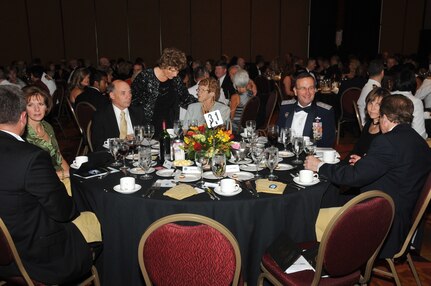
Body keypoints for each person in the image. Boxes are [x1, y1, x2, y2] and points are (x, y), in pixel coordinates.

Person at [304, 94, 431, 258]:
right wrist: (366, 162)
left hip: (382, 226)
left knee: (313, 219)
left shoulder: (387, 142)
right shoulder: (420, 143)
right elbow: (397, 170)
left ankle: (326, 271)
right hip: (402, 222)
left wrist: (319, 166)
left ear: (384, 117)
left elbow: (353, 177)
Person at [0, 85, 93, 284]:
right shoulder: (30, 157)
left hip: (5, 249)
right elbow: (64, 212)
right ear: (23, 117)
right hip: (35, 257)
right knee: (95, 220)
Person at [131, 47, 196, 138]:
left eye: (177, 70)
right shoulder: (145, 77)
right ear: (164, 65)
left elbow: (186, 99)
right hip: (149, 128)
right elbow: (133, 102)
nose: (175, 74)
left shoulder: (176, 80)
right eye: (172, 70)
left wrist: (205, 104)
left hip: (169, 127)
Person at [276, 72, 336, 147]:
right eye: (303, 88)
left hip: (311, 155)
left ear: (315, 90)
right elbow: (278, 137)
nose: (307, 92)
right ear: (295, 91)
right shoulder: (285, 108)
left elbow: (327, 143)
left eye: (311, 88)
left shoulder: (325, 112)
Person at [92, 80, 145, 151]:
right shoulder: (101, 116)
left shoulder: (138, 112)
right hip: (113, 157)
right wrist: (122, 142)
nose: (129, 96)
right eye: (123, 93)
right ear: (112, 95)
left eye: (130, 92)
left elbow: (145, 137)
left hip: (137, 154)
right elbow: (98, 146)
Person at [346, 87, 390, 162]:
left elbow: (380, 161)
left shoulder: (386, 130)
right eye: (371, 103)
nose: (372, 108)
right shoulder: (369, 123)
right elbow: (357, 149)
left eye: (378, 105)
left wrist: (361, 162)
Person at [391, 66, 428, 139]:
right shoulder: (416, 102)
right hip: (406, 144)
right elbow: (420, 134)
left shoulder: (387, 96)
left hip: (386, 141)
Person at [357, 59, 385, 125]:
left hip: (366, 121)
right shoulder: (375, 90)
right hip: (369, 124)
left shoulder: (367, 86)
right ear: (382, 73)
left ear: (368, 73)